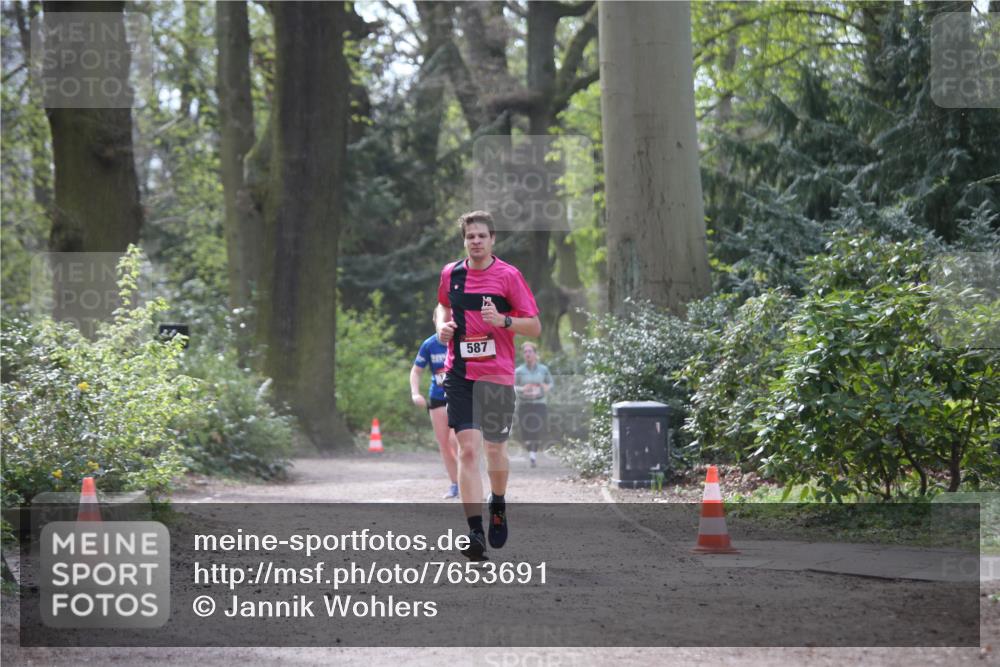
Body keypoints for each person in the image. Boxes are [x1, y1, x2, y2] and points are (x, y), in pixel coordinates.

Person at [435, 210, 541, 561]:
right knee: (468, 450)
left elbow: (534, 326)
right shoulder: (451, 274)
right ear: (464, 241)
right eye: (470, 236)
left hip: (496, 375)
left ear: (493, 239)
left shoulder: (508, 276)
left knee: (495, 450)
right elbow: (442, 306)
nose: (476, 241)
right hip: (460, 374)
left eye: (482, 236)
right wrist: (441, 327)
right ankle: (475, 532)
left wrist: (504, 320)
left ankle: (497, 501)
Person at [410, 332, 460, 499]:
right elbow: (416, 371)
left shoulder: (462, 337)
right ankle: (455, 484)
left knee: (456, 441)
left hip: (460, 396)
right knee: (444, 444)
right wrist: (415, 393)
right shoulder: (429, 344)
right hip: (438, 397)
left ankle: (468, 479)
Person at [514, 342, 554, 468]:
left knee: (535, 428)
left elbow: (551, 383)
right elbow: (512, 386)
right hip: (524, 404)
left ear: (535, 354)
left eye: (530, 351)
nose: (527, 354)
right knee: (525, 431)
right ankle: (529, 447)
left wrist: (545, 387)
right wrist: (523, 389)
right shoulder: (519, 371)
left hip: (539, 404)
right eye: (525, 352)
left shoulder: (543, 369)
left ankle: (533, 456)